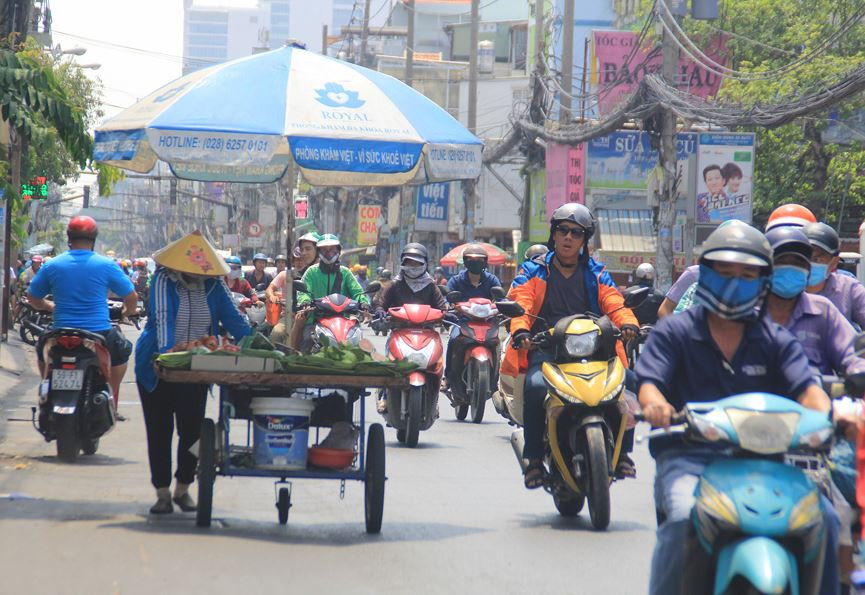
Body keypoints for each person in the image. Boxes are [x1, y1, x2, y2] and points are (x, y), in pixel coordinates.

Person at [635, 222, 842, 595]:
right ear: (706, 274)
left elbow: (809, 392)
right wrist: (656, 406)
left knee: (824, 519)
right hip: (691, 457)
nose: (736, 282)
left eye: (748, 275)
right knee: (684, 518)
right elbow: (650, 385)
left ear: (764, 280)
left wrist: (830, 416)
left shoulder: (775, 339)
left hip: (771, 464)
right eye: (725, 272)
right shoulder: (676, 331)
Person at [502, 203, 639, 488]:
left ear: (584, 240)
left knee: (630, 383)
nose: (568, 237)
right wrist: (521, 330)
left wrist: (628, 323)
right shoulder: (533, 270)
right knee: (537, 386)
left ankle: (624, 452)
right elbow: (521, 304)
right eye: (563, 230)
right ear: (554, 234)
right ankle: (535, 460)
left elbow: (615, 301)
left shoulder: (596, 272)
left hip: (594, 348)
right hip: (547, 348)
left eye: (576, 233)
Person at [135, 231, 251, 514]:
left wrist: (257, 344)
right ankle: (162, 491)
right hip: (156, 365)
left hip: (198, 366)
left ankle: (183, 487)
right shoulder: (163, 280)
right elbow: (163, 320)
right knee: (160, 430)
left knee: (192, 430)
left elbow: (234, 320)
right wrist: (168, 356)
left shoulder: (213, 286)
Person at [27, 217, 137, 411]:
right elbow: (131, 296)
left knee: (42, 350)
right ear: (93, 239)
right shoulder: (106, 265)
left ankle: (46, 387)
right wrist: (126, 312)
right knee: (121, 354)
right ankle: (111, 397)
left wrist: (48, 305)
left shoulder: (52, 265)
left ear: (69, 237)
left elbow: (33, 298)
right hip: (99, 333)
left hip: (60, 333)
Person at [374, 243, 450, 414]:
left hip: (427, 330)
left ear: (425, 264)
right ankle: (384, 396)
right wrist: (379, 310)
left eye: (417, 263)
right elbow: (381, 302)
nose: (413, 267)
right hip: (399, 330)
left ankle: (434, 397)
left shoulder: (431, 285)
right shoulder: (395, 284)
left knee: (436, 363)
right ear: (403, 263)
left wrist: (447, 314)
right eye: (409, 263)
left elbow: (441, 305)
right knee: (389, 362)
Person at [444, 244, 503, 390]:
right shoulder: (456, 280)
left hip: (488, 322)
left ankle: (495, 380)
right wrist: (448, 307)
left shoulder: (492, 280)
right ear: (465, 261)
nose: (475, 262)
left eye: (479, 260)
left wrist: (504, 307)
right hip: (463, 322)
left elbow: (502, 299)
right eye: (471, 259)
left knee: (496, 343)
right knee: (453, 339)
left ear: (485, 262)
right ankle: (448, 377)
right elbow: (447, 299)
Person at [296, 234, 369, 351]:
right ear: (319, 252)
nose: (328, 253)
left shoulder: (345, 273)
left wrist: (364, 303)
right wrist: (305, 301)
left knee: (360, 347)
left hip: (344, 322)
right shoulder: (311, 272)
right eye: (324, 250)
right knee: (307, 341)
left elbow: (357, 292)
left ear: (338, 251)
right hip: (315, 320)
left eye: (332, 249)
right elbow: (304, 292)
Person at [804, 222, 865, 330]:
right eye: (805, 257)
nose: (810, 264)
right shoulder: (786, 289)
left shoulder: (849, 288)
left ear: (834, 263)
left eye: (818, 259)